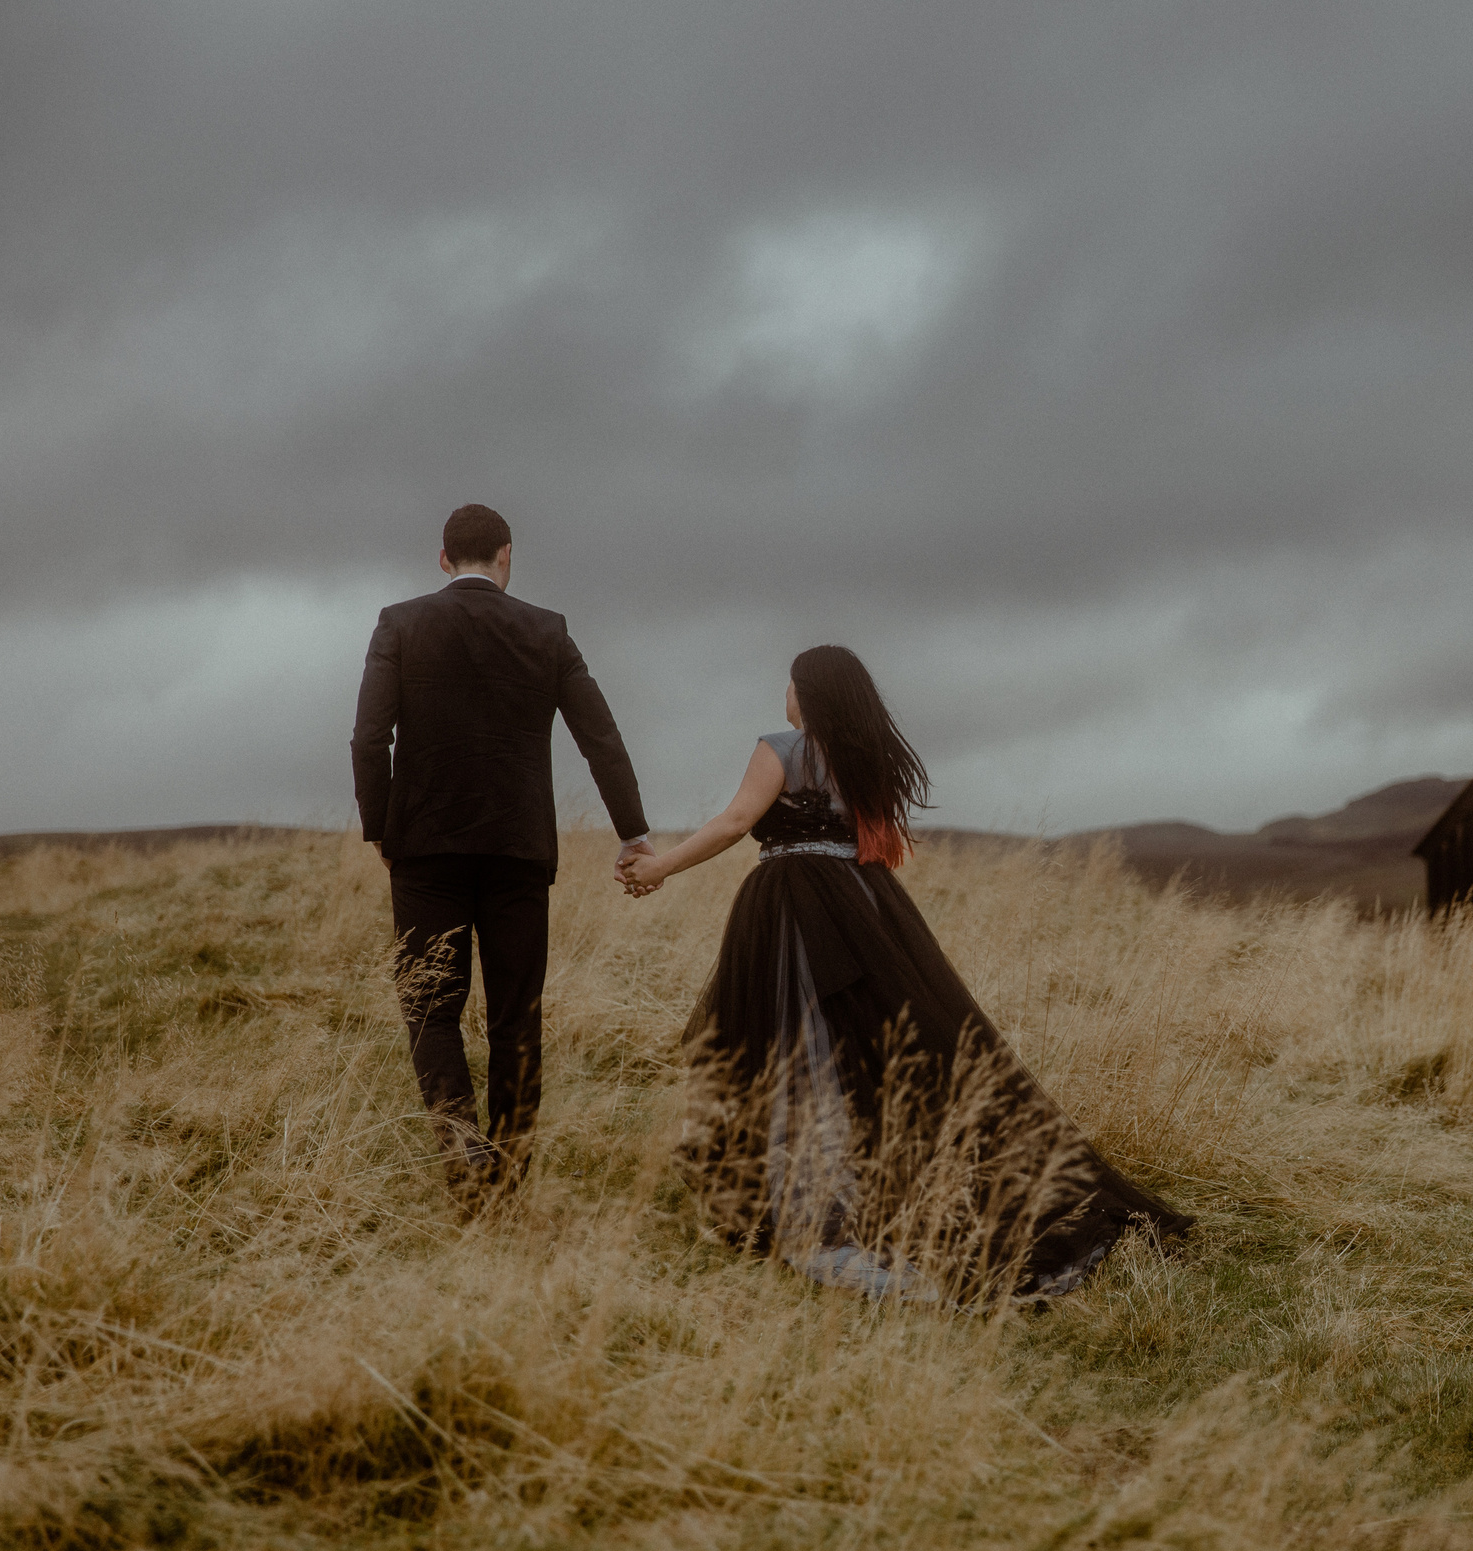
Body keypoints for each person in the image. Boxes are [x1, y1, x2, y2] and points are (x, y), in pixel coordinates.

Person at [618, 645, 1188, 1300]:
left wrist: (658, 866)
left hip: (791, 905)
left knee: (793, 1050)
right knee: (864, 1048)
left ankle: (808, 1201)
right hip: (864, 904)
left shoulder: (781, 746)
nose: (786, 692)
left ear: (808, 692)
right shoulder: (867, 758)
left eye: (792, 682)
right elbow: (877, 844)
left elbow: (737, 821)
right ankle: (851, 1190)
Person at [351, 504, 654, 1215]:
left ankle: (463, 1157)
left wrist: (381, 828)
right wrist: (632, 830)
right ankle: (509, 1178)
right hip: (519, 851)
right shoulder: (546, 631)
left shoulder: (399, 623)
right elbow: (600, 738)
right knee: (517, 1013)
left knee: (431, 1009)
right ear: (507, 556)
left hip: (424, 850)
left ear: (444, 558)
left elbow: (369, 738)